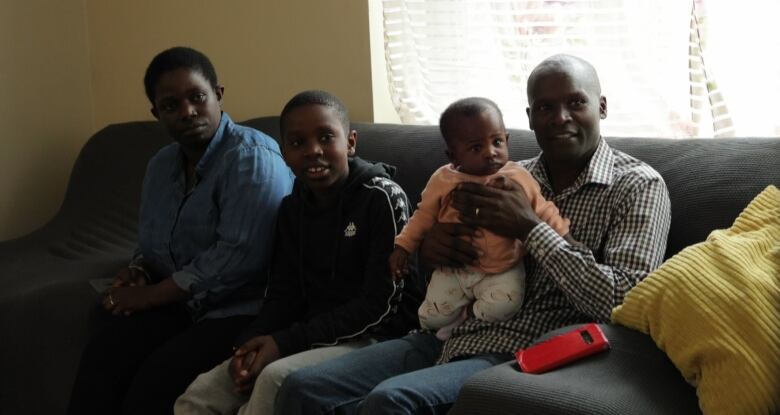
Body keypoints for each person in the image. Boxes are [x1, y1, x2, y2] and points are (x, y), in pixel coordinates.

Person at [275, 54, 672, 414]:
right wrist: (430, 254)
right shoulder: (495, 173)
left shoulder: (637, 186)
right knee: (301, 387)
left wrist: (531, 228)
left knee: (390, 402)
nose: (560, 117)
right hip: (447, 335)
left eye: (576, 102)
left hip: (523, 353)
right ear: (530, 117)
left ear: (601, 106)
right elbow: (439, 264)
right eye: (546, 108)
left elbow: (625, 301)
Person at [66, 46, 294, 415]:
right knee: (106, 347)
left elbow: (241, 258)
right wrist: (139, 271)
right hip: (185, 304)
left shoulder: (251, 157)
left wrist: (153, 295)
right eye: (171, 106)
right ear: (157, 114)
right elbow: (152, 241)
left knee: (155, 382)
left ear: (218, 95)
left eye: (197, 98)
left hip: (244, 308)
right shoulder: (161, 166)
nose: (187, 112)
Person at [173, 90, 424, 415]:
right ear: (284, 153)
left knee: (274, 381)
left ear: (350, 142)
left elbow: (381, 306)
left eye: (325, 137)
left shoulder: (382, 198)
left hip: (381, 338)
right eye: (298, 143)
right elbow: (283, 293)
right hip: (312, 336)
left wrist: (286, 343)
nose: (313, 151)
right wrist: (250, 344)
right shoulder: (292, 210)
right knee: (199, 395)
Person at [388, 97, 570, 340]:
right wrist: (403, 246)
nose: (490, 153)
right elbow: (422, 216)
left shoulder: (517, 176)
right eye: (476, 148)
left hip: (502, 267)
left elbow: (544, 210)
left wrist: (566, 237)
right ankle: (453, 320)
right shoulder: (443, 180)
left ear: (507, 140)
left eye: (496, 142)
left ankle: (468, 319)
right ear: (453, 156)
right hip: (455, 268)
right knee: (431, 317)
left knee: (504, 305)